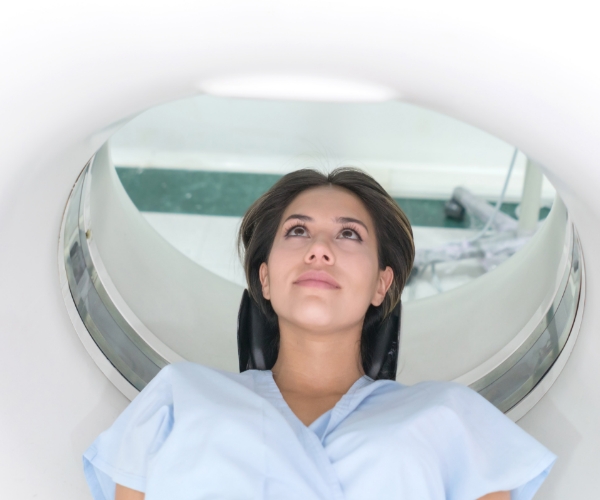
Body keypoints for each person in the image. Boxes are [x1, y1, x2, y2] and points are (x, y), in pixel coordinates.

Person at [83, 168, 556, 500]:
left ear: (381, 284)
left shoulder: (451, 416)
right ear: (264, 278)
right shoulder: (179, 396)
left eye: (349, 234)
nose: (320, 250)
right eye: (297, 232)